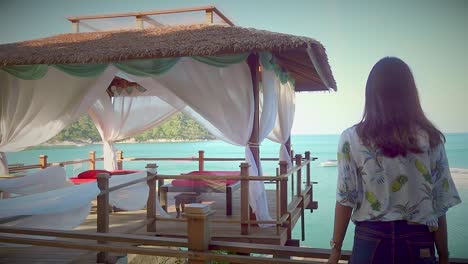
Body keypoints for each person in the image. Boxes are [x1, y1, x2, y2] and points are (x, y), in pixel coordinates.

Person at [327, 57, 461, 264]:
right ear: (410, 93)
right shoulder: (430, 138)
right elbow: (438, 202)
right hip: (419, 240)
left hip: (369, 240)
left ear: (371, 94)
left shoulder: (352, 138)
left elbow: (346, 198)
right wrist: (444, 254)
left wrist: (335, 251)